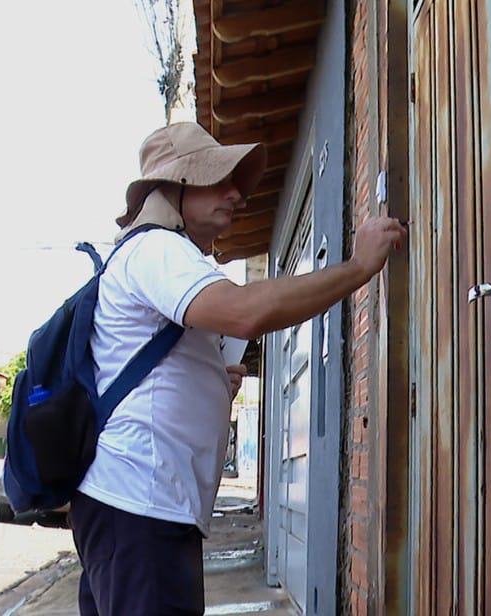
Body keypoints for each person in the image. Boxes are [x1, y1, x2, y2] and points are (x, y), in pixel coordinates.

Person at [70, 122, 406, 615]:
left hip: (139, 505)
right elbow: (246, 311)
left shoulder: (157, 255)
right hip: (140, 503)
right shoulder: (156, 249)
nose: (236, 195)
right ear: (175, 186)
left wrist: (209, 384)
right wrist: (358, 268)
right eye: (217, 179)